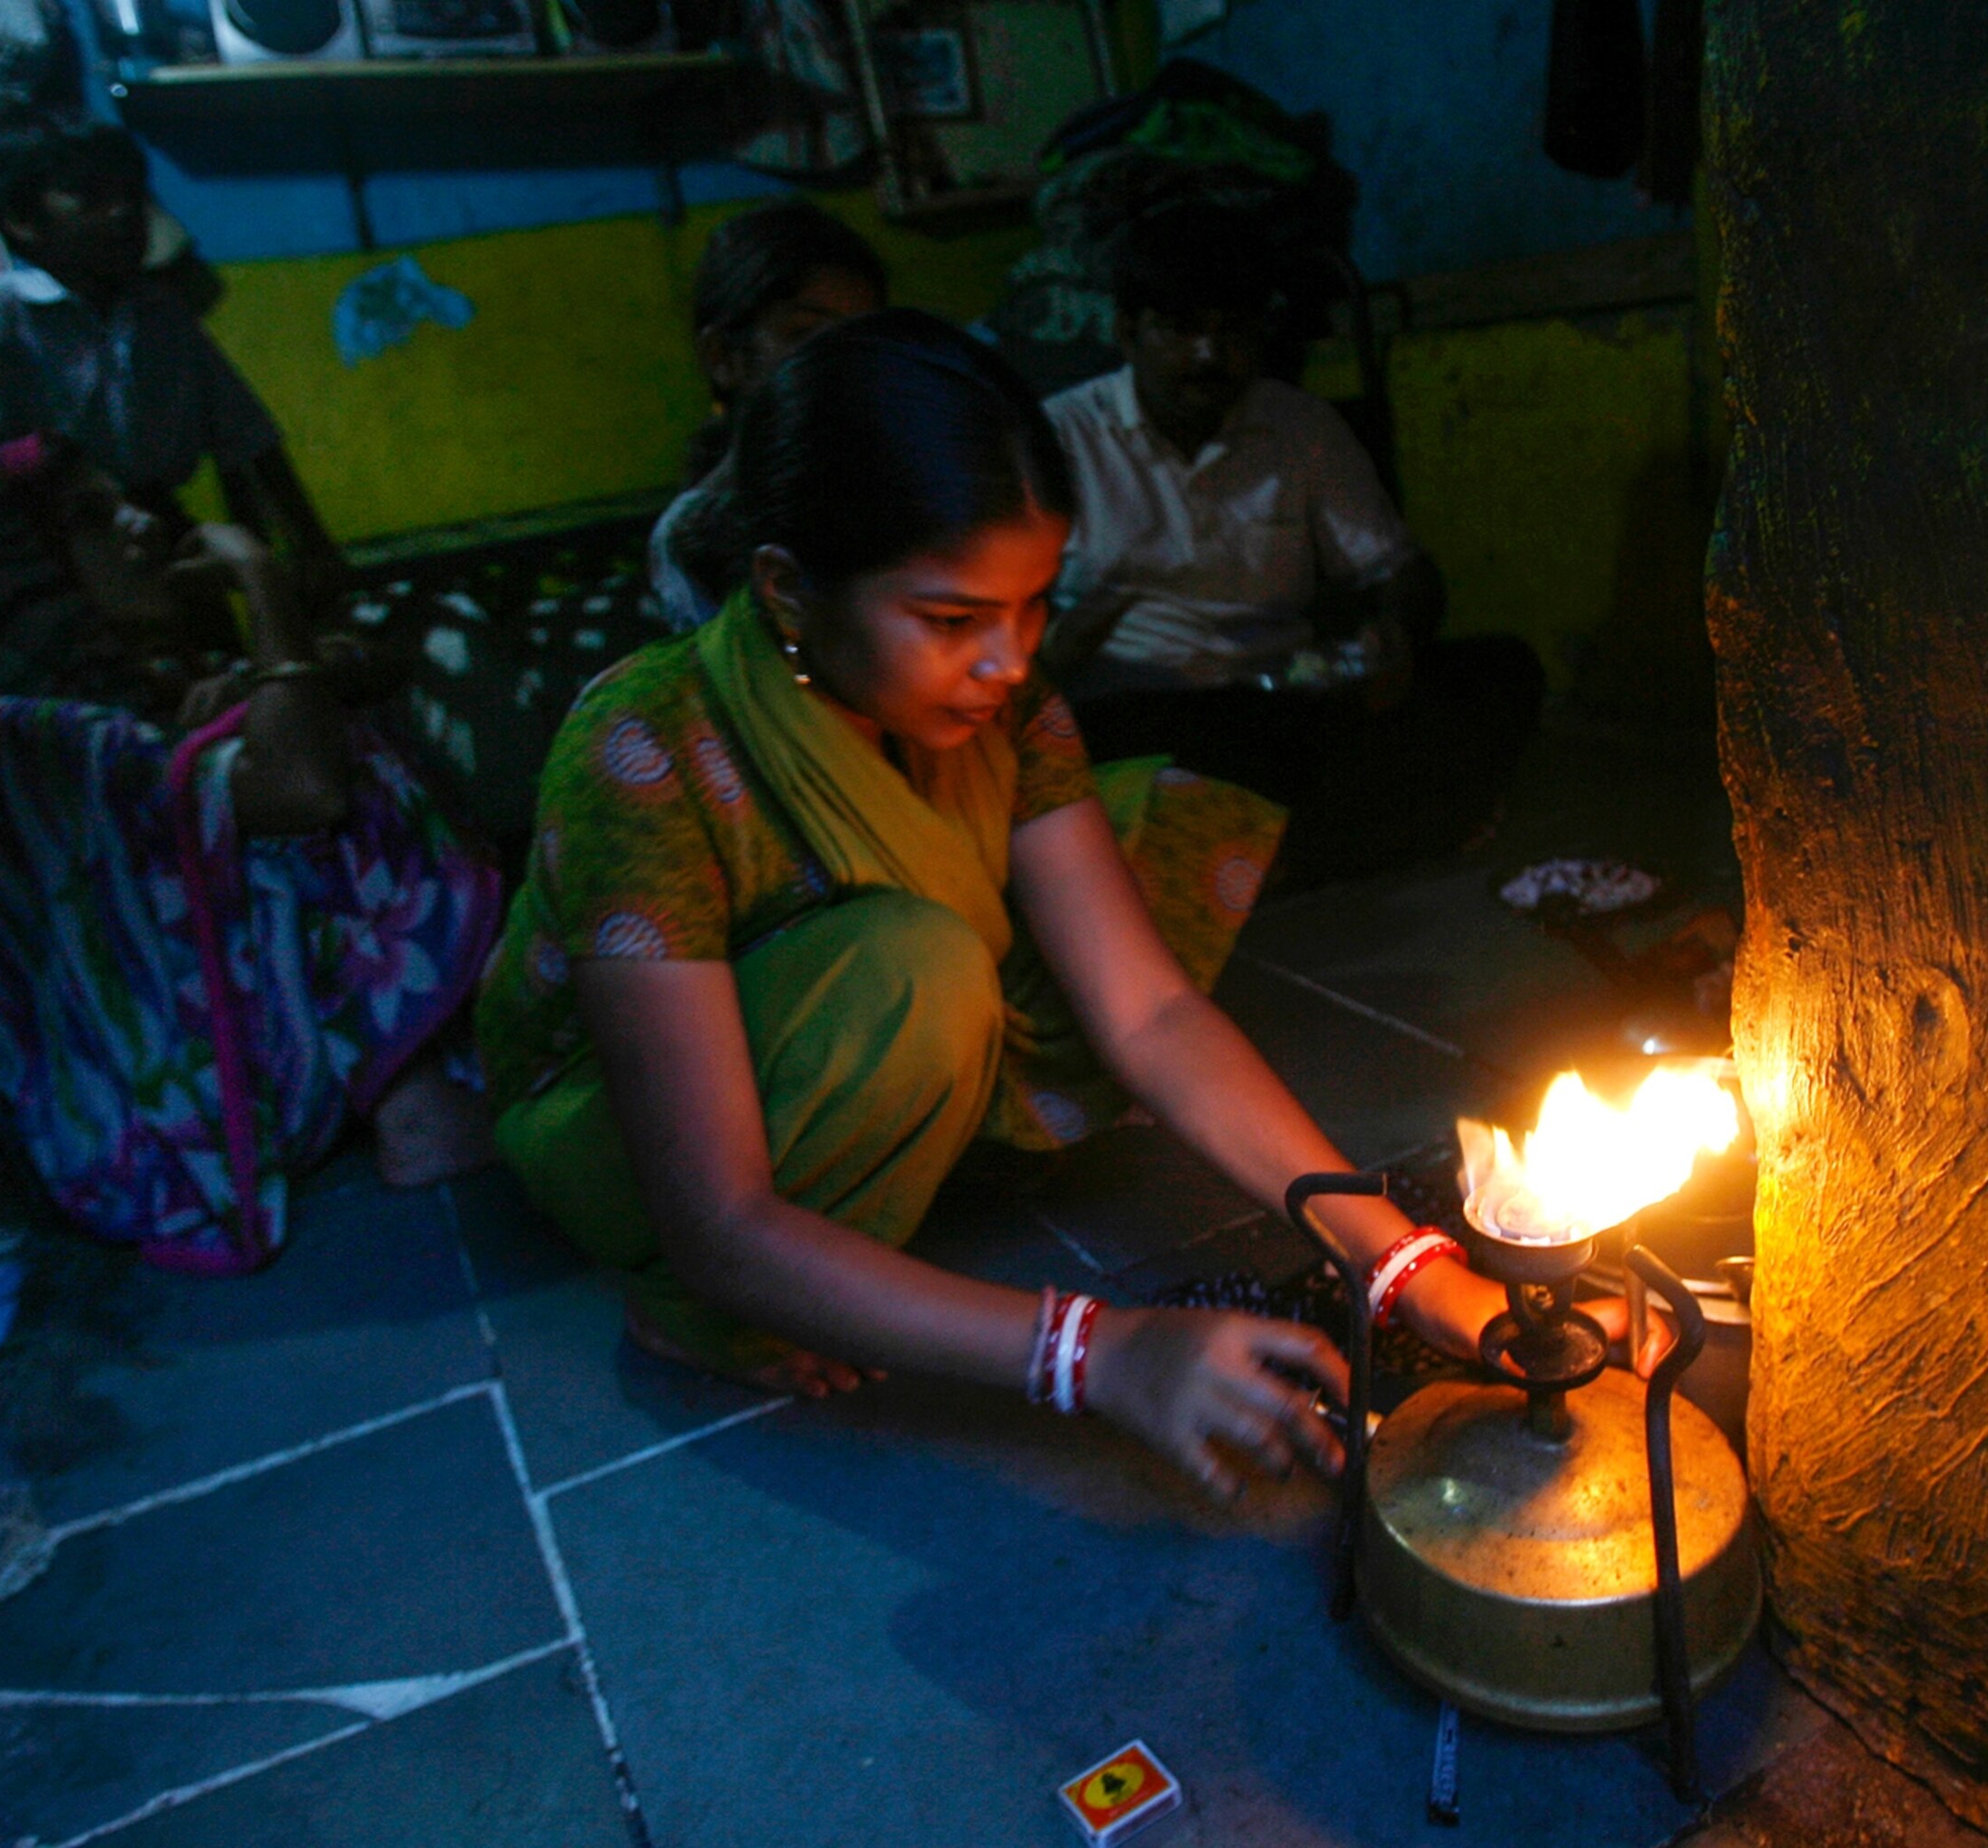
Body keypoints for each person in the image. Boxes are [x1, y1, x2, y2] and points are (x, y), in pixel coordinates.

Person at [476, 311, 1630, 1500]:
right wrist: (1099, 1352)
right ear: (786, 590)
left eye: (1032, 606)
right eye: (951, 620)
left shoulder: (1012, 715)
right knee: (914, 968)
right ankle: (700, 1317)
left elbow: (1150, 1017)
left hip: (820, 1054)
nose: (1010, 661)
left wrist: (1402, 1265)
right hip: (623, 1131)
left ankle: (844, 1248)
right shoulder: (644, 745)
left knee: (1142, 854)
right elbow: (717, 1213)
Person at [0, 435, 502, 1274]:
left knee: (325, 730)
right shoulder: (3, 736)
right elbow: (304, 789)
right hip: (154, 1114)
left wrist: (244, 705)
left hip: (211, 1047)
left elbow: (332, 696)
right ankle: (416, 1108)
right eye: (93, 521)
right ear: (22, 573)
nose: (142, 527)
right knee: (331, 786)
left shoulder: (91, 698)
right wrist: (258, 577)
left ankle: (423, 1078)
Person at [1039, 201, 1546, 883]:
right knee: (1101, 758)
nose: (1209, 356)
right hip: (1139, 716)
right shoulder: (1061, 437)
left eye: (1234, 330)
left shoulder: (1299, 426)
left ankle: (1255, 859)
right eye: (1182, 330)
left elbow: (1400, 571)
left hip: (1280, 700)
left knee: (1501, 671)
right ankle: (1322, 847)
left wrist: (1394, 633)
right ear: (1129, 333)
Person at [0, 121, 343, 598]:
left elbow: (250, 440)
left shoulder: (160, 311)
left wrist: (315, 549)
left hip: (166, 538)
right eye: (90, 197)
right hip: (55, 551)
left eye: (132, 195)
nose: (124, 213)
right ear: (22, 219)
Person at [647, 197, 888, 631]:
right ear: (722, 357)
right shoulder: (691, 534)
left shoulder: (899, 470)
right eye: (805, 334)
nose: (842, 359)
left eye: (861, 335)